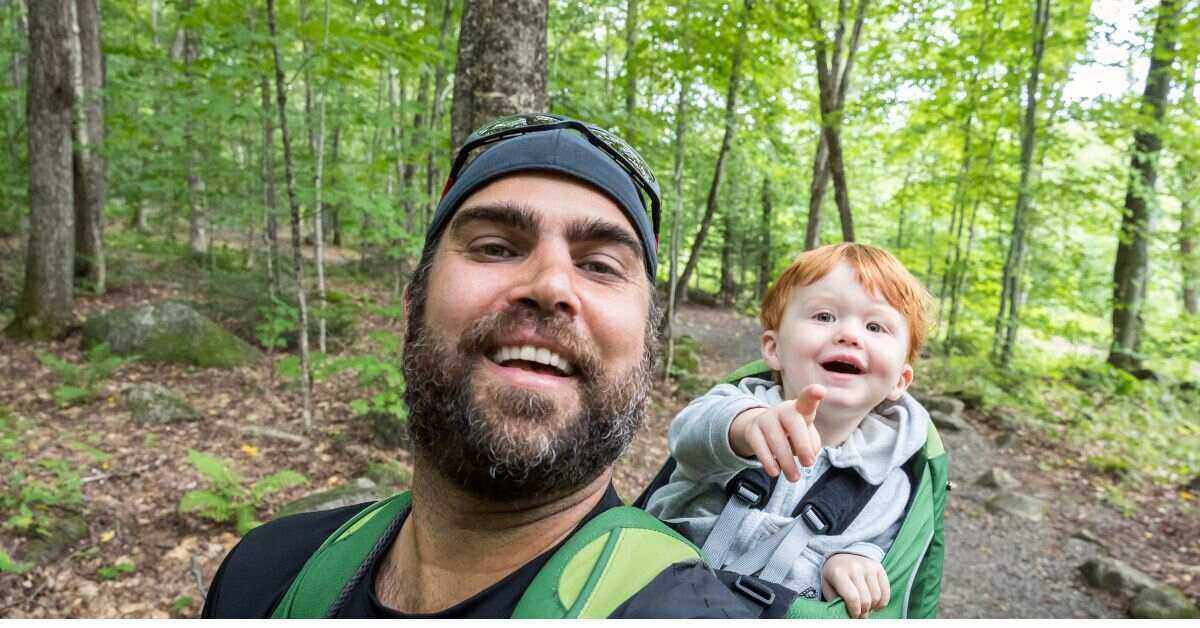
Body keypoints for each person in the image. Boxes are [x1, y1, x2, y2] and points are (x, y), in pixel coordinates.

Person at [200, 114, 764, 619]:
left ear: (648, 348)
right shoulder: (264, 577)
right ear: (412, 307)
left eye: (599, 264)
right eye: (496, 247)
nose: (549, 285)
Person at [645, 243, 933, 619]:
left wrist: (852, 559)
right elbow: (687, 437)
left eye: (875, 326)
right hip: (660, 594)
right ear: (774, 348)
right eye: (825, 316)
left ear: (901, 379)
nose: (849, 334)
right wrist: (745, 428)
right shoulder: (736, 405)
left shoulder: (891, 481)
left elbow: (882, 551)